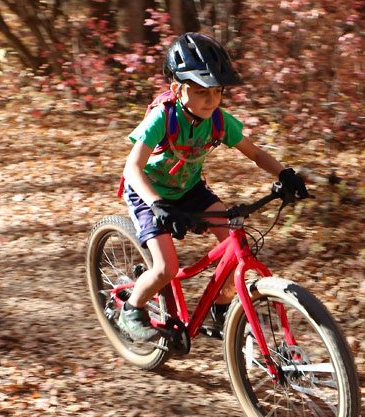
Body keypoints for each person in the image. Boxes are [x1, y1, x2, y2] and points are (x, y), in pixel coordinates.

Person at [117, 32, 308, 341]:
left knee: (235, 239)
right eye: (201, 91)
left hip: (189, 190)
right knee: (166, 267)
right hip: (148, 192)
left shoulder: (219, 121)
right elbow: (132, 168)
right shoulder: (162, 118)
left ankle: (221, 307)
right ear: (177, 89)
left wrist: (284, 173)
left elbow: (256, 153)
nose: (211, 100)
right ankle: (132, 309)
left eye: (217, 92)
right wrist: (156, 203)